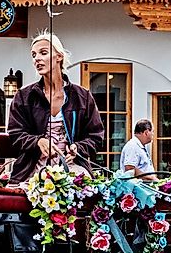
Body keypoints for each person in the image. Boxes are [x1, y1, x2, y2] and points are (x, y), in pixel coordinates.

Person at [6, 32, 104, 182]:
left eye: (43, 53)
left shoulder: (82, 97)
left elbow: (96, 136)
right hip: (31, 170)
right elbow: (15, 133)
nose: (37, 58)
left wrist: (78, 148)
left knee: (84, 193)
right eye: (33, 55)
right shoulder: (24, 96)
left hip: (72, 168)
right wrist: (38, 141)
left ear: (59, 57)